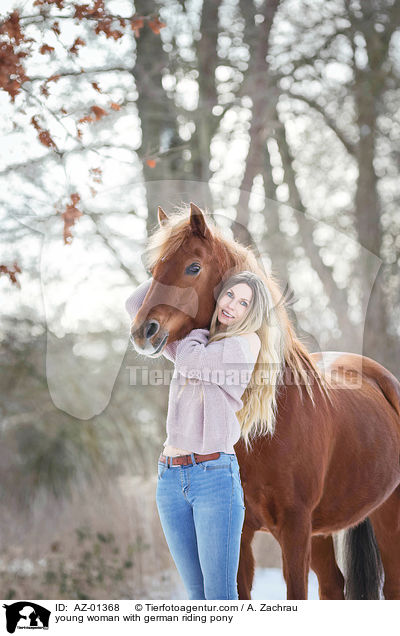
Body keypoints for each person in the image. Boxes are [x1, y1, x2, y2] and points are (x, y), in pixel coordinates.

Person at [125, 270, 269, 599]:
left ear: (252, 313)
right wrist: (174, 271)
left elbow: (191, 359)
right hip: (170, 478)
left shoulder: (244, 345)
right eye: (230, 295)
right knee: (195, 596)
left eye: (244, 302)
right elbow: (135, 303)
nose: (233, 305)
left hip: (214, 477)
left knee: (218, 597)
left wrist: (193, 327)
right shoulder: (199, 342)